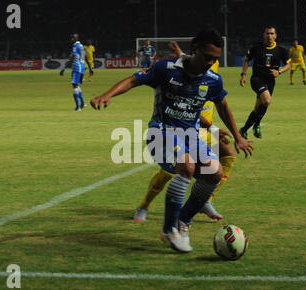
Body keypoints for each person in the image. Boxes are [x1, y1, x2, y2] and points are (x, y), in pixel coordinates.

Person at [91, 28, 253, 253]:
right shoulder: (165, 69)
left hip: (191, 137)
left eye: (214, 59)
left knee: (214, 173)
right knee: (186, 165)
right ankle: (168, 230)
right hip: (160, 133)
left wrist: (238, 136)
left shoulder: (213, 80)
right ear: (194, 49)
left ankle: (183, 221)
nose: (210, 62)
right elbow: (133, 80)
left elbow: (221, 105)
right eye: (207, 57)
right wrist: (107, 95)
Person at [133, 40, 238, 222]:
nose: (211, 62)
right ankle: (144, 205)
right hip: (185, 126)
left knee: (227, 156)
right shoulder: (188, 76)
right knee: (170, 172)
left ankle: (205, 199)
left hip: (201, 129)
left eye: (214, 59)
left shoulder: (212, 76)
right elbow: (187, 107)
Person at [239, 26, 291, 139]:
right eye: (267, 33)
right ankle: (256, 125)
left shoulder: (281, 50)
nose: (269, 36)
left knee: (259, 108)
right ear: (264, 35)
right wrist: (243, 74)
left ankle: (243, 130)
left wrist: (280, 71)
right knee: (267, 100)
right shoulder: (256, 48)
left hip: (270, 81)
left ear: (275, 36)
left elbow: (289, 64)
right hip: (257, 79)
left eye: (272, 34)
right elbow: (247, 59)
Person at [59, 34, 86, 111]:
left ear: (76, 38)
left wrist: (64, 68)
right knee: (76, 85)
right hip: (80, 67)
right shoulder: (81, 46)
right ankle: (83, 103)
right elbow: (84, 56)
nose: (71, 39)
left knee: (74, 86)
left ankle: (78, 107)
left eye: (73, 38)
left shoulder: (75, 46)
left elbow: (73, 58)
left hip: (76, 67)